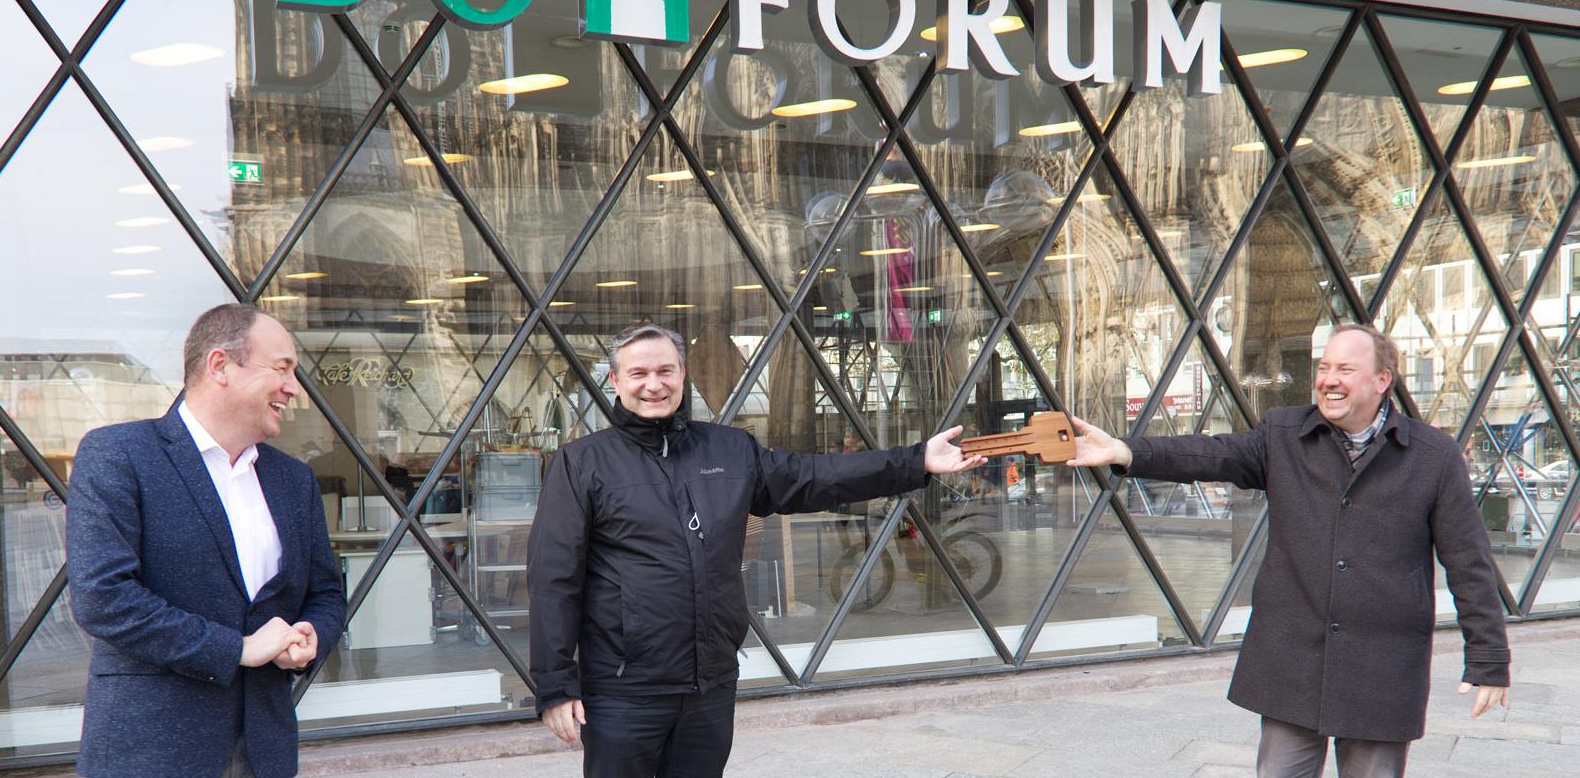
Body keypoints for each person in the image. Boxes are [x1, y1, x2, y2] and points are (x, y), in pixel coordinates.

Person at [528, 323, 985, 776]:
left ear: (683, 375)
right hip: (624, 691)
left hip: (709, 686)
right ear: (616, 380)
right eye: (639, 373)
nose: (654, 385)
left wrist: (914, 460)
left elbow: (815, 476)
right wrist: (555, 687)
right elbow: (554, 579)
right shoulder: (582, 462)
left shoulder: (729, 449)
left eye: (666, 371)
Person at [1069, 324, 1510, 778]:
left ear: (1383, 381)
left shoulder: (1431, 456)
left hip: (1382, 667)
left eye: (1346, 368)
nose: (1329, 379)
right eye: (1324, 368)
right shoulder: (1284, 435)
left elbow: (1468, 561)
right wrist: (1125, 451)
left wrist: (1489, 660)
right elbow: (1210, 454)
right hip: (1292, 662)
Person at [67, 303, 346, 778]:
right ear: (220, 366)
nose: (293, 388)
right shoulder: (118, 455)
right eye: (281, 368)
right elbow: (104, 599)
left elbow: (325, 592)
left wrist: (311, 634)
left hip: (264, 751)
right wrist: (237, 649)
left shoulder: (293, 479)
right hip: (152, 750)